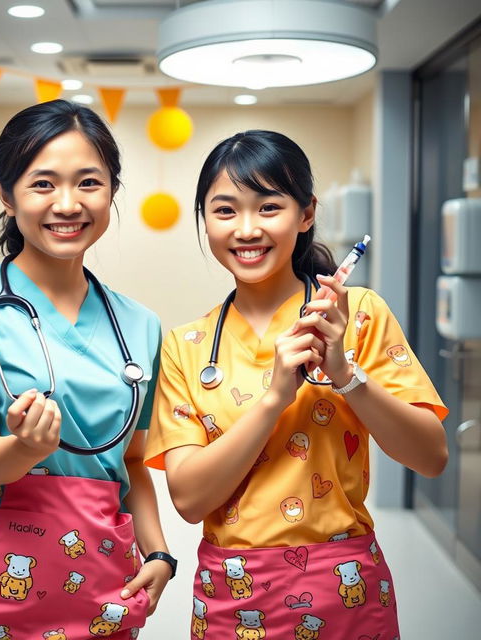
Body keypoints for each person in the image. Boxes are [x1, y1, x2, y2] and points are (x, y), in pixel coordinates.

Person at [144, 130, 448, 639]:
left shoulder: (361, 316)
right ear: (205, 220)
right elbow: (190, 499)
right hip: (232, 596)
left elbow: (431, 457)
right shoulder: (185, 345)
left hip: (345, 591)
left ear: (305, 214)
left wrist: (347, 378)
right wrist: (275, 399)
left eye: (268, 208)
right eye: (225, 211)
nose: (246, 229)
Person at [0, 99, 175, 640]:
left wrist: (160, 551)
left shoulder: (140, 325)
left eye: (89, 183)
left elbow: (135, 462)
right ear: (6, 195)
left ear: (112, 191)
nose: (67, 204)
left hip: (105, 584)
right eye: (43, 184)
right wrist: (25, 447)